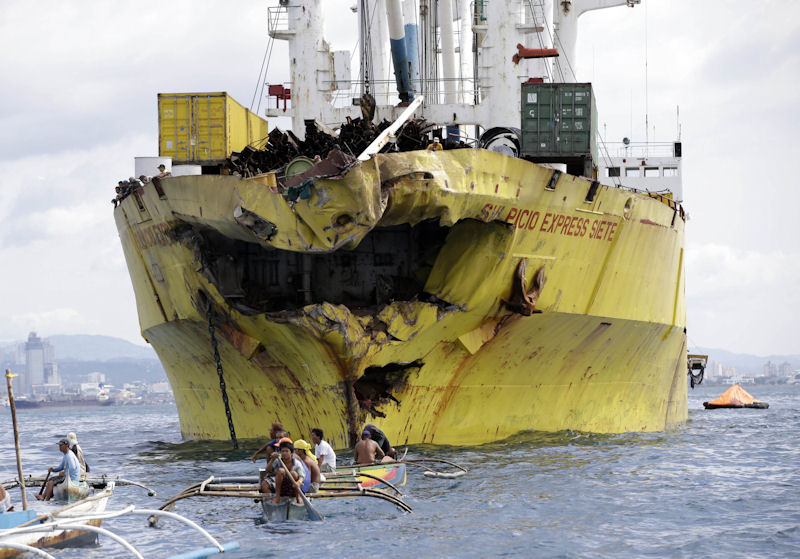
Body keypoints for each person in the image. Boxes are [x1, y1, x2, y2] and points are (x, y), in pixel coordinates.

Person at [268, 439, 306, 504]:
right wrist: (272, 459)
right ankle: (277, 498)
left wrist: (298, 483)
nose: (284, 453)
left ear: (291, 453)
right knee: (280, 471)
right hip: (281, 487)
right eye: (282, 451)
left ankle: (298, 498)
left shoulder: (297, 463)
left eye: (286, 451)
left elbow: (302, 476)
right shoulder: (278, 461)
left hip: (293, 487)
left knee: (293, 473)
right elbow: (268, 470)